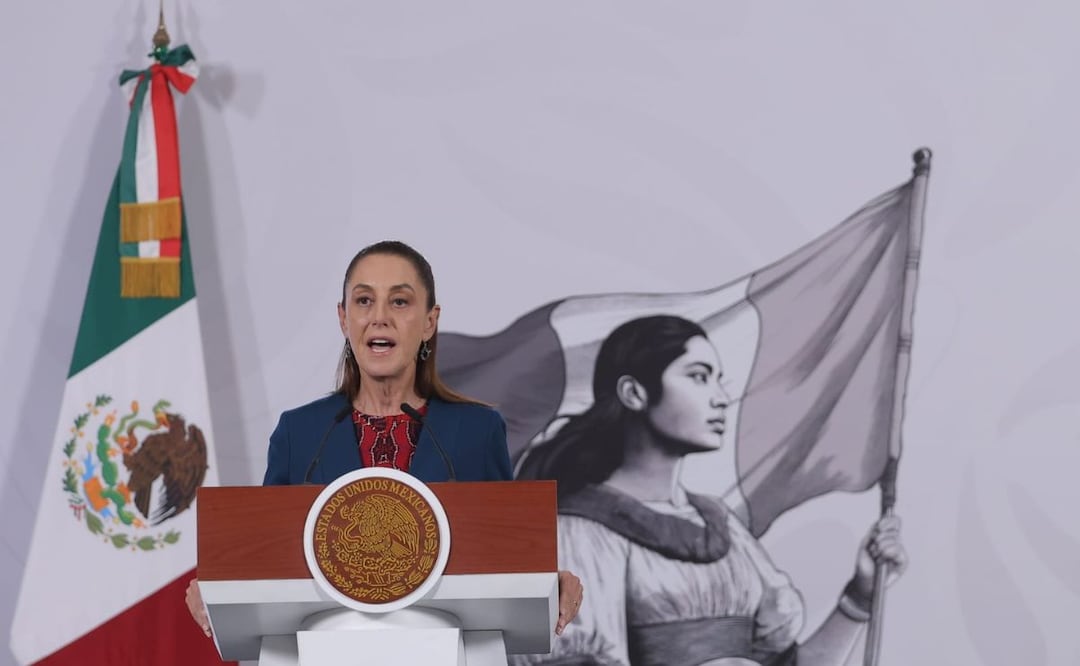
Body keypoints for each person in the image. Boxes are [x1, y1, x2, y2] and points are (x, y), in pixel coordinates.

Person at [185, 240, 583, 638]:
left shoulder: (477, 431)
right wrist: (220, 586)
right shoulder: (300, 433)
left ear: (429, 321)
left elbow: (509, 556)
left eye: (399, 302)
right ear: (343, 319)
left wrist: (551, 583)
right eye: (363, 301)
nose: (379, 318)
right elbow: (265, 560)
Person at [511, 315, 907, 666]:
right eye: (699, 376)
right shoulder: (576, 532)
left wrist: (860, 596)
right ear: (634, 393)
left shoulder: (724, 528)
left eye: (719, 379)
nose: (720, 397)